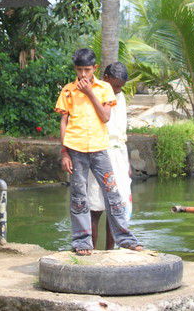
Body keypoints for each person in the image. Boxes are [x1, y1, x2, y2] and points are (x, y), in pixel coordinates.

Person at [55, 48, 142, 255]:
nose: (83, 75)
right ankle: (82, 242)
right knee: (79, 197)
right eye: (79, 70)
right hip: (75, 149)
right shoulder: (68, 90)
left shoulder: (104, 89)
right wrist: (64, 153)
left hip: (100, 149)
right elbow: (64, 121)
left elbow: (105, 117)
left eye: (87, 70)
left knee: (113, 194)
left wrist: (89, 93)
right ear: (75, 69)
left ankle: (125, 239)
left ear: (95, 68)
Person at [88, 62, 132, 250]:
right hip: (98, 150)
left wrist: (126, 161)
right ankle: (89, 250)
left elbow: (121, 131)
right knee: (95, 206)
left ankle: (110, 251)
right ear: (105, 79)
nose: (117, 90)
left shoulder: (120, 97)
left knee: (116, 205)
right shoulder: (94, 93)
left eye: (120, 87)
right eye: (115, 86)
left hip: (118, 153)